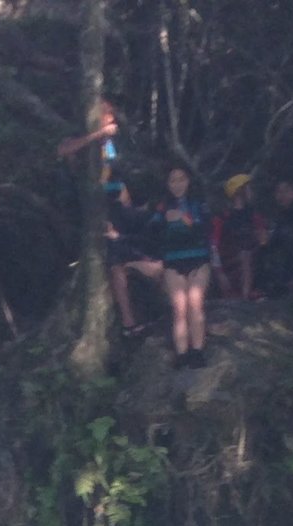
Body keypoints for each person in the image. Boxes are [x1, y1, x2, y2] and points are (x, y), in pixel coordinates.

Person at [56, 99, 156, 337]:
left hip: (119, 206)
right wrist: (97, 135)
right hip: (94, 208)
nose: (111, 119)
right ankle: (129, 323)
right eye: (106, 115)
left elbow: (118, 177)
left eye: (111, 115)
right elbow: (63, 151)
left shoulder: (114, 144)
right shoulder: (83, 141)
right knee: (115, 262)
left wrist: (130, 207)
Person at [150, 166, 215, 367]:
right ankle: (182, 353)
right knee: (179, 308)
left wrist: (184, 219)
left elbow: (206, 227)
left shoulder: (198, 203)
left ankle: (197, 350)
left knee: (195, 303)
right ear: (167, 184)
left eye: (181, 179)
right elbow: (152, 230)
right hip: (173, 261)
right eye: (173, 180)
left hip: (198, 259)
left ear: (188, 181)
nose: (177, 185)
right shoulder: (162, 206)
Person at [252, 178, 293, 298]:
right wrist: (264, 242)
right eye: (278, 192)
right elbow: (273, 244)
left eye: (286, 191)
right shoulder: (280, 217)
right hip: (285, 266)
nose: (281, 196)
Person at [211, 174, 262, 302]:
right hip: (229, 265)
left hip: (254, 263)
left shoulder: (254, 215)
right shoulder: (223, 218)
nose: (252, 191)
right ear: (240, 191)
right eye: (248, 188)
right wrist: (219, 272)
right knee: (245, 255)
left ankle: (249, 293)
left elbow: (262, 240)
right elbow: (214, 246)